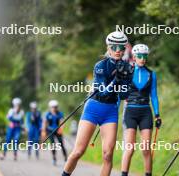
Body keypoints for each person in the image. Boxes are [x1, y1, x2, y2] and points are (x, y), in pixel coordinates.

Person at [61, 31, 132, 176]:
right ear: (108, 47)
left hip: (110, 111)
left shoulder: (127, 68)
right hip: (93, 108)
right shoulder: (100, 65)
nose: (118, 51)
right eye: (114, 47)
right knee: (78, 151)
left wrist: (125, 78)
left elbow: (124, 95)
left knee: (108, 154)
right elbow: (103, 92)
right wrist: (116, 80)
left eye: (121, 48)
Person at [121, 44, 162, 176]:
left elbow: (154, 96)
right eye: (140, 56)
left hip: (145, 112)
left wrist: (157, 115)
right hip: (131, 112)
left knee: (145, 149)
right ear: (134, 57)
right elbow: (120, 93)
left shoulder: (151, 74)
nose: (142, 59)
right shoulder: (128, 72)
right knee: (130, 147)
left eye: (145, 56)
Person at [43, 100, 67, 165]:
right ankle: (54, 158)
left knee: (61, 144)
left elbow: (62, 122)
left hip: (58, 131)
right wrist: (44, 131)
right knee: (52, 144)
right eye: (53, 107)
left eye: (55, 107)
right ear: (50, 107)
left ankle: (65, 157)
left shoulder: (60, 113)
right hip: (50, 131)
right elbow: (45, 123)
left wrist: (61, 129)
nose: (54, 108)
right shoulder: (48, 114)